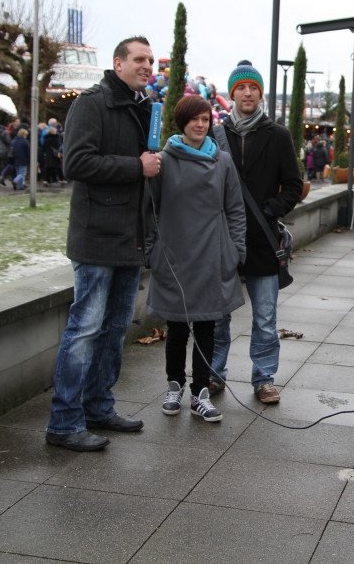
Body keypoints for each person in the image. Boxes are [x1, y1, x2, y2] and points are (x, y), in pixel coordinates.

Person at [45, 36, 162, 452]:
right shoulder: (92, 103)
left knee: (114, 330)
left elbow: (149, 169)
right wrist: (137, 166)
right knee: (84, 330)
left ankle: (98, 406)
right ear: (118, 63)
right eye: (139, 59)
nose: (148, 65)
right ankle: (63, 422)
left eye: (150, 60)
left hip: (130, 240)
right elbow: (74, 163)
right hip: (96, 238)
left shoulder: (145, 107)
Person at [147, 95, 246, 423]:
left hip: (212, 255)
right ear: (182, 122)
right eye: (194, 119)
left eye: (205, 119)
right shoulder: (163, 160)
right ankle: (174, 385)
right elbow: (151, 208)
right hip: (175, 256)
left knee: (208, 327)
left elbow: (235, 208)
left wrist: (236, 249)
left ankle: (200, 392)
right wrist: (152, 249)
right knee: (176, 327)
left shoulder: (222, 161)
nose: (200, 124)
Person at [209, 60, 303, 404]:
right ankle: (214, 373)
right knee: (218, 315)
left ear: (260, 93)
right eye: (241, 88)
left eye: (253, 88)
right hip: (223, 239)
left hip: (263, 239)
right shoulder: (215, 134)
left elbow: (293, 185)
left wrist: (270, 209)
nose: (247, 94)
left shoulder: (278, 136)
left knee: (265, 317)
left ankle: (263, 378)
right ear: (232, 93)